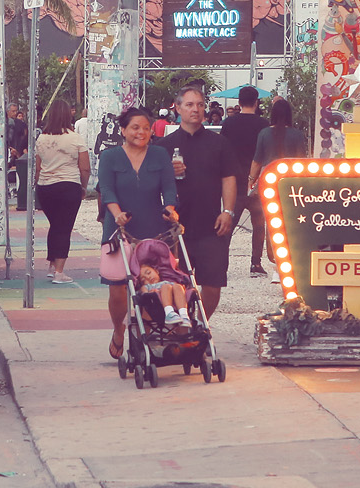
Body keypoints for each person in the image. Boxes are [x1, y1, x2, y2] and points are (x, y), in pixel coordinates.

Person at [96, 106, 180, 361]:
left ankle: (147, 334)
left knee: (152, 285)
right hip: (119, 228)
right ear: (123, 130)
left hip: (155, 228)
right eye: (135, 127)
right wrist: (116, 212)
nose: (141, 132)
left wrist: (171, 210)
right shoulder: (110, 157)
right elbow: (107, 189)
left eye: (146, 128)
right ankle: (118, 329)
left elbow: (169, 188)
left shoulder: (159, 155)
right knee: (118, 288)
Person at [155, 84, 237, 317]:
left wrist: (228, 211)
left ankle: (200, 327)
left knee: (213, 284)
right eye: (189, 104)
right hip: (174, 229)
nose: (196, 110)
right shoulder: (163, 147)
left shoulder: (219, 143)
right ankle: (181, 328)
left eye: (200, 105)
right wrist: (167, 171)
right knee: (175, 283)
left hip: (212, 226)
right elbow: (151, 186)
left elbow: (229, 178)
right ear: (178, 108)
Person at [247, 97, 309, 283]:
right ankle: (289, 264)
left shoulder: (264, 134)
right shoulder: (298, 135)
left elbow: (257, 160)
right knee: (290, 224)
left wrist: (251, 181)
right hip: (291, 182)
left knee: (272, 224)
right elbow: (302, 160)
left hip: (269, 182)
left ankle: (276, 266)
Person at [32, 100, 90, 284]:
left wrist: (37, 185)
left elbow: (38, 167)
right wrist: (83, 186)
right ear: (68, 115)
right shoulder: (75, 138)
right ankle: (59, 272)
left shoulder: (41, 139)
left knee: (55, 225)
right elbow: (85, 168)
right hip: (68, 186)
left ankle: (51, 265)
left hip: (45, 187)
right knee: (64, 228)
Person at [219, 86, 267, 276]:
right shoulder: (264, 124)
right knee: (258, 224)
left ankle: (222, 263)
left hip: (233, 181)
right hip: (256, 181)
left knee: (228, 223)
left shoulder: (229, 124)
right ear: (257, 102)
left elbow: (222, 151)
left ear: (239, 103)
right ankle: (255, 263)